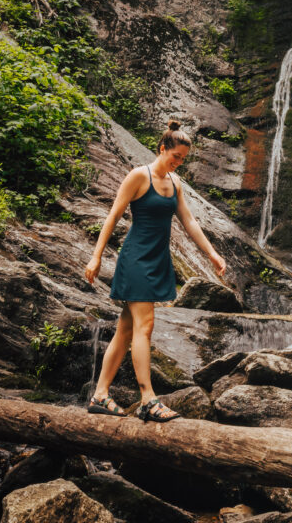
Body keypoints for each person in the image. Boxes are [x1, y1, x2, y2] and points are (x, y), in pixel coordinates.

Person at [84, 119, 226, 422]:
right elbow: (112, 217)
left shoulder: (175, 184)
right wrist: (96, 257)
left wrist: (212, 254)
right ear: (162, 148)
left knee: (125, 330)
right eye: (175, 157)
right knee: (144, 326)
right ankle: (148, 398)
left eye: (183, 160)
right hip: (135, 259)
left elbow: (189, 222)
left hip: (157, 260)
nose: (178, 163)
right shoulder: (139, 176)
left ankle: (99, 395)